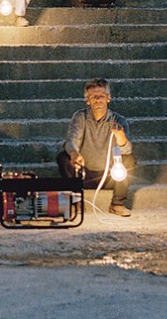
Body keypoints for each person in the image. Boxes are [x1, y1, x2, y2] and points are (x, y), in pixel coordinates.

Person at [57, 78, 135, 217]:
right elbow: (71, 140)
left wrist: (120, 135)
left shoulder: (119, 120)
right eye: (94, 97)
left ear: (108, 98)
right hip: (84, 174)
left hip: (111, 176)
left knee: (129, 160)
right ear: (88, 100)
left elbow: (126, 151)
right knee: (63, 157)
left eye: (102, 96)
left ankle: (117, 204)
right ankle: (76, 202)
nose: (98, 100)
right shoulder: (80, 117)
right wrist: (75, 153)